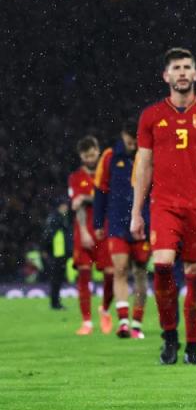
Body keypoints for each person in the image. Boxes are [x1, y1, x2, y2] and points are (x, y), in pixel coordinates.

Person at [130, 47, 196, 365]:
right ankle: (169, 338)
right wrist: (137, 212)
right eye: (175, 67)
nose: (181, 72)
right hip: (164, 205)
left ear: (195, 74)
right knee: (162, 265)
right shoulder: (151, 116)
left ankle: (192, 346)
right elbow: (145, 166)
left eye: (186, 67)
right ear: (166, 76)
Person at [93, 121, 151, 339]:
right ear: (123, 134)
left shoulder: (147, 155)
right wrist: (98, 223)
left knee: (140, 272)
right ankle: (124, 322)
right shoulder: (109, 157)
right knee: (120, 269)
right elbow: (100, 191)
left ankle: (137, 323)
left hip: (143, 224)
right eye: (130, 137)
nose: (133, 142)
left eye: (136, 138)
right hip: (117, 223)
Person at [68, 135, 115, 335]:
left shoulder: (107, 173)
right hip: (84, 231)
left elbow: (108, 197)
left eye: (93, 154)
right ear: (81, 156)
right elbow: (77, 207)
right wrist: (85, 232)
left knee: (111, 275)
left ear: (98, 150)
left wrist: (86, 197)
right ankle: (86, 322)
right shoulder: (75, 177)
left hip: (106, 230)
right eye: (86, 156)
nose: (90, 158)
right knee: (84, 275)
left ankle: (104, 309)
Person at [42, 197, 72, 310]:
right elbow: (48, 235)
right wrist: (45, 249)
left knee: (58, 278)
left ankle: (56, 302)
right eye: (65, 205)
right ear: (60, 206)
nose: (66, 208)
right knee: (56, 278)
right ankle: (55, 303)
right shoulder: (56, 218)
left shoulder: (61, 218)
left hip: (61, 253)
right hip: (57, 253)